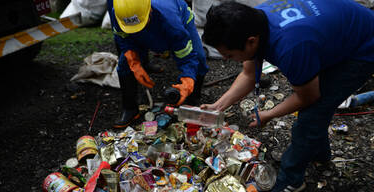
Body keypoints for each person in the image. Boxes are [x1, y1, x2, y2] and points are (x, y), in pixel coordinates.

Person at [201, 0, 374, 191]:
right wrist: (217, 107)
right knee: (316, 108)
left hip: (364, 46)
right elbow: (249, 75)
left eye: (229, 55)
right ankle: (317, 152)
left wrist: (269, 114)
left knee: (311, 116)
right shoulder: (252, 20)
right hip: (335, 31)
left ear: (251, 41)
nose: (226, 60)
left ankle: (291, 179)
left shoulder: (291, 47)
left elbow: (309, 97)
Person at [107, 0, 209, 128]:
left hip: (176, 20)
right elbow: (122, 36)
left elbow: (187, 56)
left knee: (198, 58)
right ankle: (130, 109)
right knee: (124, 66)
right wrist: (134, 62)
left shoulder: (171, 22)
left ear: (149, 10)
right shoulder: (120, 13)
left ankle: (191, 101)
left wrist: (188, 79)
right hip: (147, 24)